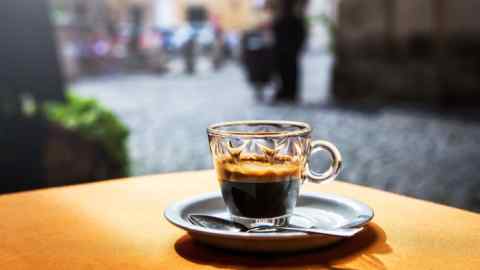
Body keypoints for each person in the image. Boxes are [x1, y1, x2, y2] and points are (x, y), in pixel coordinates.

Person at [272, 0, 307, 102]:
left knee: (290, 72)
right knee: (283, 72)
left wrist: (297, 47)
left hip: (289, 51)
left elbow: (301, 36)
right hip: (283, 51)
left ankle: (290, 92)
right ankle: (285, 92)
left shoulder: (294, 21)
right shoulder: (283, 20)